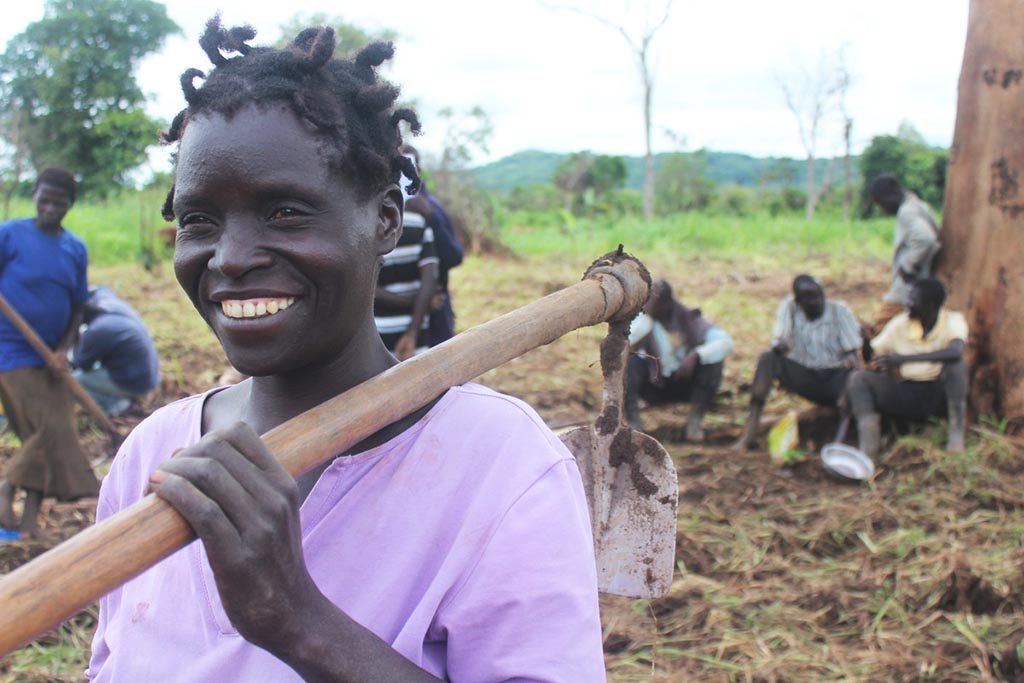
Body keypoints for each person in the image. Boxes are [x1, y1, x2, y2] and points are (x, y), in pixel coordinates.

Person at [87, 20, 604, 681]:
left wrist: (298, 619)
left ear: (385, 218)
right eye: (199, 220)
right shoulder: (152, 456)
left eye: (285, 213)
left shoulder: (503, 470)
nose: (232, 257)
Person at [0, 167, 98, 536]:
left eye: (59, 203)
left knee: (44, 437)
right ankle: (7, 487)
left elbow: (77, 308)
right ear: (35, 195)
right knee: (48, 430)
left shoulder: (74, 248)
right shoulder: (9, 235)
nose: (50, 208)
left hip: (52, 360)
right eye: (45, 199)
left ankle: (28, 521)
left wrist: (62, 349)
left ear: (70, 205)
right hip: (10, 352)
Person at [845, 278, 968, 461]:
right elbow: (873, 357)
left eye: (912, 300)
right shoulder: (900, 324)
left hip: (938, 394)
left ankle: (955, 437)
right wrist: (865, 341)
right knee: (858, 379)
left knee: (957, 366)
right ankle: (869, 450)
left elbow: (955, 352)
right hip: (907, 392)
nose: (906, 304)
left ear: (930, 304)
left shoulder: (952, 321)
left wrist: (903, 359)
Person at [735, 275, 862, 449]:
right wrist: (780, 346)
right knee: (768, 359)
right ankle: (749, 434)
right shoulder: (789, 308)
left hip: (834, 378)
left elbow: (853, 351)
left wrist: (851, 360)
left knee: (854, 376)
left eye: (818, 295)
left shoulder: (839, 311)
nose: (816, 301)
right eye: (809, 298)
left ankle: (838, 444)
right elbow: (781, 340)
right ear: (798, 301)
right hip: (804, 375)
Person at [626, 278, 733, 441]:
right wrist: (646, 322)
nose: (647, 306)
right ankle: (634, 423)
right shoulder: (643, 322)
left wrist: (696, 355)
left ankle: (694, 422)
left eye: (653, 302)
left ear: (667, 303)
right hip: (654, 385)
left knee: (713, 360)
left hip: (685, 383)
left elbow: (725, 343)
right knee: (629, 363)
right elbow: (624, 347)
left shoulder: (690, 319)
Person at [373, 151, 439, 360]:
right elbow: (429, 282)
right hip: (416, 332)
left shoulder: (365, 225)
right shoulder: (419, 223)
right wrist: (412, 332)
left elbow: (369, 289)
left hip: (377, 335)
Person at [399, 145, 464, 346]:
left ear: (417, 168)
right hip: (389, 320)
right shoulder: (377, 209)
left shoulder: (432, 208)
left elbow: (454, 256)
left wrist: (431, 218)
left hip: (435, 315)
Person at [71, 285, 160, 417]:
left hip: (138, 383)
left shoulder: (96, 331)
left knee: (75, 381)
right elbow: (101, 288)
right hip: (151, 374)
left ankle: (118, 407)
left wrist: (73, 338)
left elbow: (81, 364)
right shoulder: (109, 303)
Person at [870, 174, 941, 332]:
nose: (883, 209)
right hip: (922, 283)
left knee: (880, 326)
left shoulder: (906, 212)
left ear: (893, 194)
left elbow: (926, 238)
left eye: (882, 203)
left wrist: (909, 266)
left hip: (909, 285)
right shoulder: (918, 205)